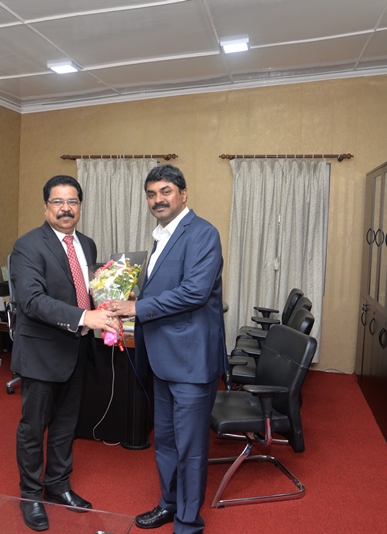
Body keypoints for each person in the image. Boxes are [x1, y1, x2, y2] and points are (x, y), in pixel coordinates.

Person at [108, 164, 226, 534]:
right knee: (166, 442)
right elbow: (165, 288)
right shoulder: (160, 236)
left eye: (165, 192)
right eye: (151, 194)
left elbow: (194, 292)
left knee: (190, 448)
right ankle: (169, 504)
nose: (157, 200)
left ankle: (188, 523)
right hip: (162, 360)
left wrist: (137, 308)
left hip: (191, 361)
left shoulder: (203, 233)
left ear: (183, 194)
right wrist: (132, 296)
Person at [9, 175, 118, 531]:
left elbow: (85, 291)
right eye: (58, 202)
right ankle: (30, 495)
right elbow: (32, 301)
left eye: (72, 202)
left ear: (80, 207)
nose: (65, 208)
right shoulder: (27, 246)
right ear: (46, 207)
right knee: (33, 428)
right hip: (42, 354)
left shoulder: (87, 244)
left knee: (66, 426)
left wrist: (112, 300)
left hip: (78, 349)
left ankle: (58, 485)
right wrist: (86, 317)